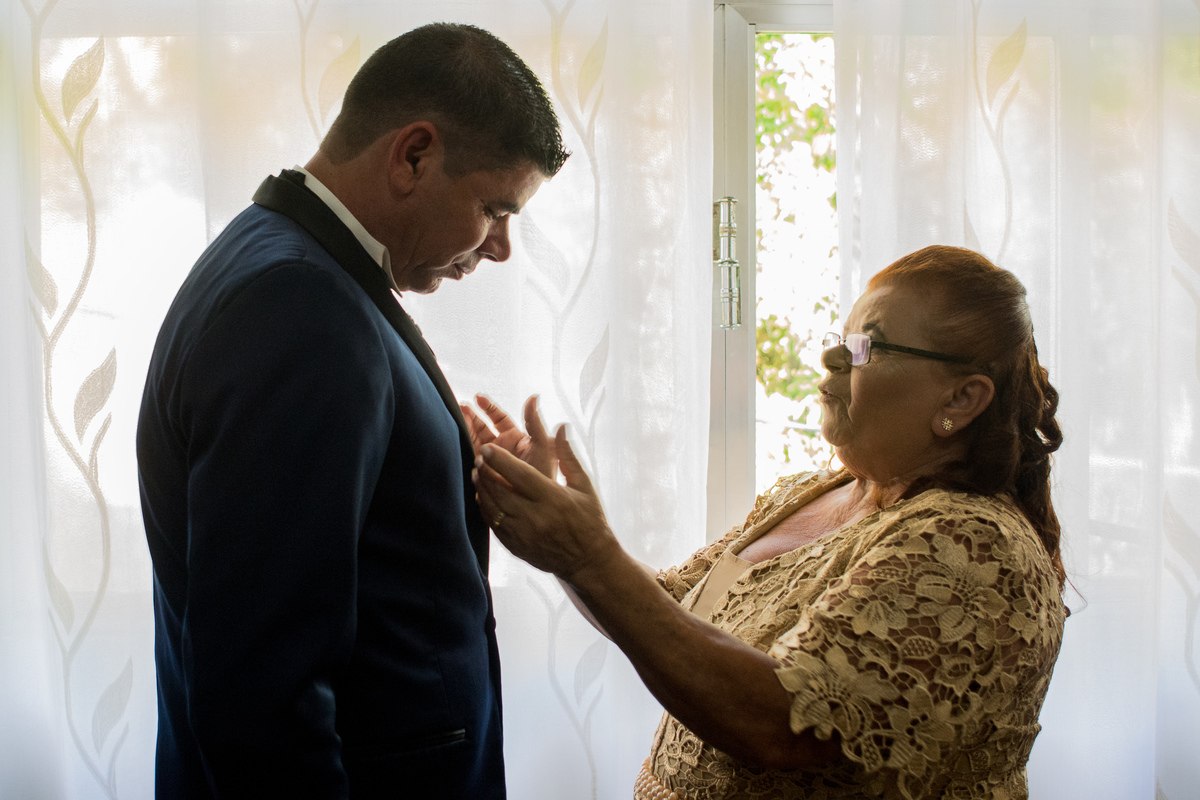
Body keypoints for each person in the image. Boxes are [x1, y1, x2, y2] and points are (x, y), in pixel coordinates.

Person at [136, 23, 568, 798]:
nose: (501, 247)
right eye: (496, 208)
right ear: (414, 155)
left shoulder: (281, 260)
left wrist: (430, 462)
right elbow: (263, 691)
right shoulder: (297, 307)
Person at [472, 245, 1067, 799]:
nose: (832, 357)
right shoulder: (809, 492)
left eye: (867, 347)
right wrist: (556, 526)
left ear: (961, 400)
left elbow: (788, 726)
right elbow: (668, 612)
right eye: (842, 339)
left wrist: (587, 554)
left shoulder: (976, 545)